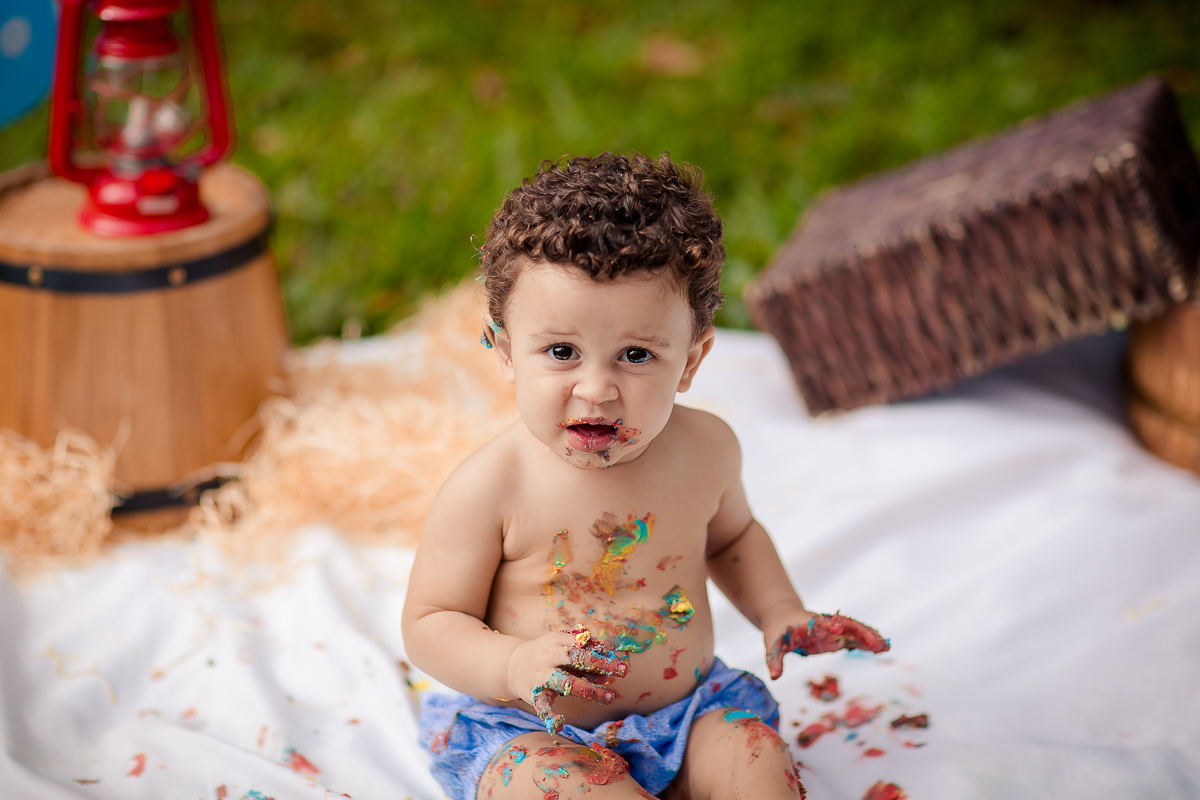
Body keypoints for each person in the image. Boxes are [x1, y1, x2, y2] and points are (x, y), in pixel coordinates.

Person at [401, 153, 888, 800]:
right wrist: (513, 663)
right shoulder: (491, 487)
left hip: (688, 715)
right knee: (552, 785)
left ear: (691, 361)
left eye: (636, 355)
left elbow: (732, 539)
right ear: (505, 348)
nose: (597, 390)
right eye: (561, 352)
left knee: (757, 767)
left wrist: (780, 611)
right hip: (532, 728)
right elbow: (431, 621)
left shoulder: (707, 449)